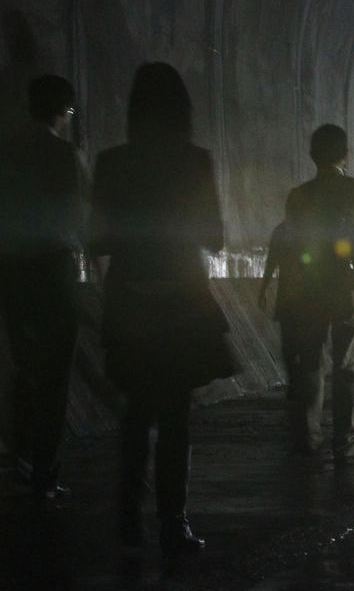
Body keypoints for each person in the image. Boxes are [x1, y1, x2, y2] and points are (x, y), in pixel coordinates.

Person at [88, 63, 228, 557]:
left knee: (135, 414)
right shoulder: (194, 161)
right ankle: (173, 521)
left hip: (129, 304)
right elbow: (215, 234)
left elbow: (98, 238)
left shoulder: (112, 162)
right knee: (175, 417)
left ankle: (128, 518)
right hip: (181, 305)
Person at [0, 74, 86, 504]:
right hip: (54, 270)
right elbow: (83, 217)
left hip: (13, 269)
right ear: (63, 111)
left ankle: (18, 460)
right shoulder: (64, 154)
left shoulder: (8, 152)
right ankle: (45, 474)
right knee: (55, 376)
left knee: (25, 367)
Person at [283, 124, 354, 465]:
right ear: (346, 155)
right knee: (348, 365)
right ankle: (346, 444)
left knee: (309, 363)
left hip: (308, 290)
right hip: (348, 290)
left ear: (312, 155)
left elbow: (290, 243)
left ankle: (309, 439)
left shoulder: (298, 196)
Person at [260, 221, 303, 386]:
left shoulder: (281, 230)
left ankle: (294, 380)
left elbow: (271, 261)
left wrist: (264, 288)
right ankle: (302, 381)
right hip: (309, 299)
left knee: (289, 344)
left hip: (287, 297)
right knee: (308, 344)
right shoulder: (313, 229)